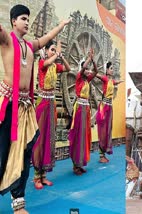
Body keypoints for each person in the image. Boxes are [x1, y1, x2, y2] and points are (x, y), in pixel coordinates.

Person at [0, 4, 70, 213]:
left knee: (24, 154)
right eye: (23, 18)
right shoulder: (6, 41)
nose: (27, 22)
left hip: (26, 107)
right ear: (13, 21)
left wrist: (61, 25)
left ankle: (18, 204)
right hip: (8, 105)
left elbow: (47, 37)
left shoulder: (30, 47)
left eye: (28, 19)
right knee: (3, 154)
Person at [32, 40, 71, 190]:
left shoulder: (55, 67)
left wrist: (61, 56)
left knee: (49, 139)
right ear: (46, 50)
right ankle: (36, 176)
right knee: (40, 139)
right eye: (52, 49)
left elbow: (68, 68)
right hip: (42, 104)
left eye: (55, 50)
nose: (54, 52)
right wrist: (56, 54)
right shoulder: (42, 63)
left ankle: (43, 176)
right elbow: (48, 62)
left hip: (51, 104)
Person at [68, 49, 98, 175]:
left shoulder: (87, 81)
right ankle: (75, 165)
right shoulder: (79, 78)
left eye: (88, 70)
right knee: (78, 136)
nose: (88, 71)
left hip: (86, 109)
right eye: (86, 69)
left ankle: (80, 164)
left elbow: (95, 72)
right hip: (79, 108)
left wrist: (94, 62)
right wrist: (89, 59)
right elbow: (84, 67)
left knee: (84, 136)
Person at [95, 61, 124, 163]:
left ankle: (103, 153)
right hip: (104, 107)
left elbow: (113, 83)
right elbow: (97, 75)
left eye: (112, 68)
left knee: (108, 130)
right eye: (111, 68)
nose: (112, 70)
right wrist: (92, 69)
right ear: (106, 70)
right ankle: (101, 155)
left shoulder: (111, 80)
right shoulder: (105, 78)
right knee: (102, 130)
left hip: (110, 107)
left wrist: (119, 82)